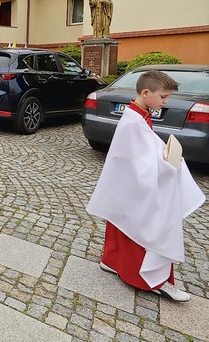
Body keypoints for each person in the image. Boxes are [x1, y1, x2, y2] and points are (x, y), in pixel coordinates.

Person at [86, 70, 205, 302]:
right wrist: (169, 167)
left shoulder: (140, 115)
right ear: (147, 93)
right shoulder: (133, 122)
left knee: (122, 220)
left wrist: (165, 156)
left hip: (127, 188)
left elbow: (143, 152)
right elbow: (137, 164)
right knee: (145, 225)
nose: (166, 101)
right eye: (163, 97)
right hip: (135, 186)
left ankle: (111, 261)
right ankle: (156, 280)